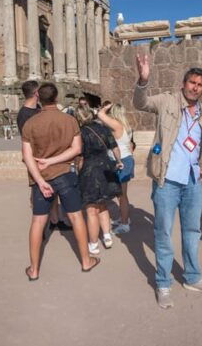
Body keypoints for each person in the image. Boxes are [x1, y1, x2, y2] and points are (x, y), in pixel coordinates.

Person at [134, 54, 202, 309]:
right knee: (163, 233)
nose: (195, 88)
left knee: (193, 231)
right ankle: (163, 283)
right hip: (167, 180)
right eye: (192, 83)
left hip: (193, 180)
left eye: (200, 85)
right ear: (184, 84)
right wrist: (143, 79)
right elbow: (141, 103)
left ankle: (192, 277)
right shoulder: (167, 101)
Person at [22, 83, 100, 280]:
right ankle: (86, 260)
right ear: (56, 98)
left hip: (42, 177)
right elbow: (76, 150)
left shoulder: (30, 124)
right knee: (75, 217)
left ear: (38, 97)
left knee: (38, 221)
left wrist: (39, 180)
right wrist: (55, 160)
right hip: (65, 173)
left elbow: (27, 157)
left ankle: (34, 269)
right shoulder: (69, 120)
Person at [17, 80, 71, 233]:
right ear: (36, 94)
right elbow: (29, 140)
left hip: (50, 156)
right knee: (38, 192)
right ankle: (39, 227)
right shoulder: (24, 114)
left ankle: (55, 219)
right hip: (37, 159)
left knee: (53, 191)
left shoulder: (39, 109)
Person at [74, 105, 123, 255]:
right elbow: (114, 147)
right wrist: (119, 161)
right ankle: (107, 236)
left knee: (91, 210)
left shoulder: (80, 133)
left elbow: (80, 157)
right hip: (106, 168)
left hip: (90, 170)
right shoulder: (103, 128)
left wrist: (78, 171)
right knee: (103, 205)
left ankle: (93, 244)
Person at [98, 102, 136, 234]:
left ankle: (125, 223)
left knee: (121, 195)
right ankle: (123, 218)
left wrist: (105, 108)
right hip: (126, 159)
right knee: (121, 194)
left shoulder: (117, 125)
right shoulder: (125, 125)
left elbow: (100, 114)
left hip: (122, 161)